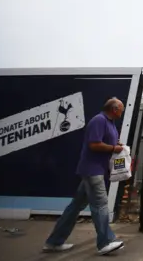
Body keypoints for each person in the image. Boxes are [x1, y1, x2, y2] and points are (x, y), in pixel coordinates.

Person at [43, 98, 126, 255]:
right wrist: (114, 148)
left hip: (96, 169)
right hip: (92, 170)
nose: (122, 112)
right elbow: (94, 144)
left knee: (75, 207)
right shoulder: (99, 120)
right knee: (100, 205)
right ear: (114, 109)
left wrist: (116, 145)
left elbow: (105, 141)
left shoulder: (109, 122)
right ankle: (105, 242)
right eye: (121, 109)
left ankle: (54, 242)